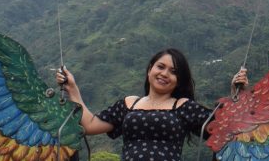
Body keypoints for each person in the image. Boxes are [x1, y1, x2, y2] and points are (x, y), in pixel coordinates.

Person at [56, 48, 249, 160]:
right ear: (150, 69)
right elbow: (89, 125)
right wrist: (72, 89)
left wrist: (236, 93)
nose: (164, 74)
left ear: (179, 80)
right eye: (160, 67)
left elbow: (223, 127)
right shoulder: (129, 104)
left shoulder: (183, 106)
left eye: (173, 71)